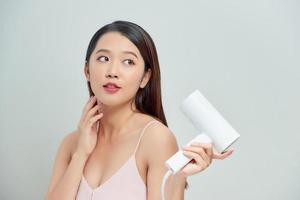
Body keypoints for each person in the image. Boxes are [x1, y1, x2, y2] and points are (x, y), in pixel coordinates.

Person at [45, 20, 234, 200]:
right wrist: (81, 154)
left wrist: (177, 177)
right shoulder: (71, 144)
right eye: (103, 58)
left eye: (128, 62)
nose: (112, 71)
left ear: (145, 77)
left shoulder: (155, 139)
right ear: (87, 70)